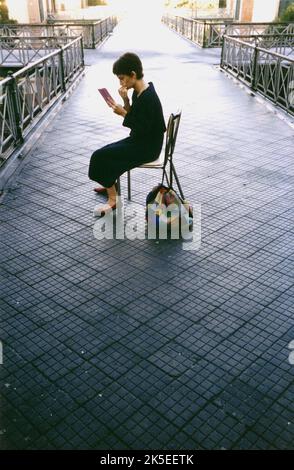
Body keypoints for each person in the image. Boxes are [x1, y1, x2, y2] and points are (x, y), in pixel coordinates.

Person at [88, 52, 166, 216]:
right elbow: (137, 120)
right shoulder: (141, 92)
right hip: (142, 141)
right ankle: (110, 183)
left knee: (100, 156)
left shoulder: (148, 97)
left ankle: (113, 198)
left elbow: (140, 127)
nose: (121, 82)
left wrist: (123, 113)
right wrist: (125, 101)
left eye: (122, 78)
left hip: (147, 147)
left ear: (133, 74)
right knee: (106, 151)